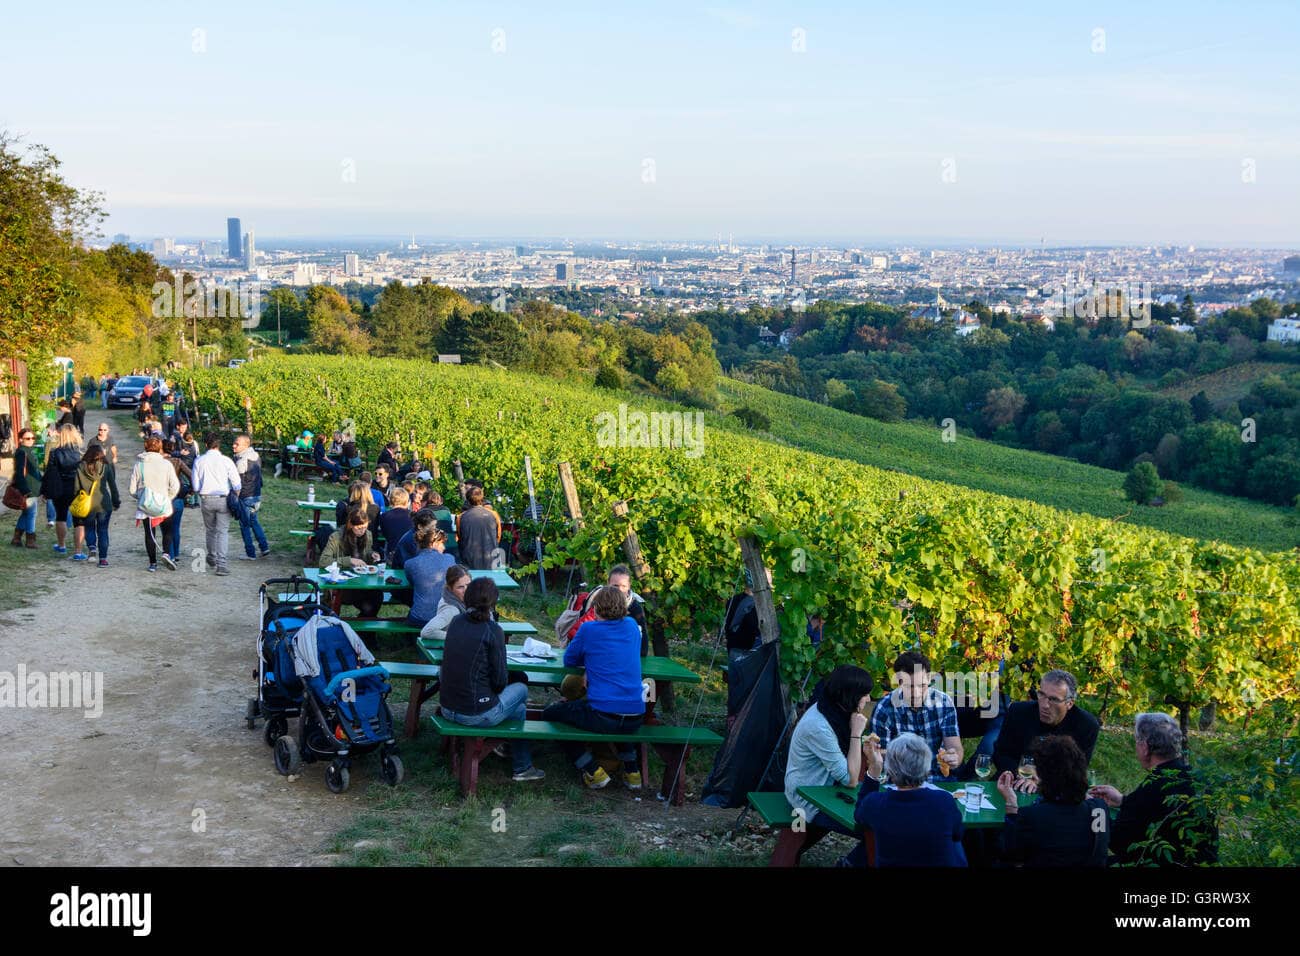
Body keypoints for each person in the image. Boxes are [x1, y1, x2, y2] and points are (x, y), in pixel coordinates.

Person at [439, 577, 545, 782]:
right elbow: (499, 681)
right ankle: (519, 764)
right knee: (521, 689)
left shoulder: (456, 622)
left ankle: (513, 752)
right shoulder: (493, 630)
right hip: (476, 713)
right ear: (493, 603)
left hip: (447, 706)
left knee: (519, 710)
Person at [541, 586, 645, 790]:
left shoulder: (589, 629)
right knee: (620, 716)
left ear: (596, 608)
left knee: (551, 714)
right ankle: (632, 771)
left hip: (604, 715)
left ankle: (592, 769)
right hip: (636, 714)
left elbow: (569, 660)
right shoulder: (632, 626)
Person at [1089, 712, 1218, 866]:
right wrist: (1124, 801)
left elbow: (1119, 843)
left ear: (1144, 747)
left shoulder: (1154, 785)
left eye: (1136, 741)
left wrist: (1095, 810)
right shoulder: (1200, 781)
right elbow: (1155, 810)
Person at [784, 665, 875, 866]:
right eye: (865, 694)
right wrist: (856, 734)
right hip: (807, 798)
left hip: (827, 790)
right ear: (850, 695)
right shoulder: (819, 727)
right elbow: (850, 779)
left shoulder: (833, 710)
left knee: (884, 825)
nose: (868, 699)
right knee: (879, 830)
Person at [854, 732, 968, 867]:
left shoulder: (876, 804)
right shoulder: (944, 801)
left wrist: (874, 769)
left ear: (889, 770)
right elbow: (957, 834)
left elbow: (859, 814)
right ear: (926, 769)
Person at [997, 735, 1109, 866]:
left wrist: (1011, 805)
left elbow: (1012, 855)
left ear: (1044, 777)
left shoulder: (1033, 816)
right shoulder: (1099, 809)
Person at [994, 669, 1100, 792]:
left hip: (1057, 792)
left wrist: (1041, 778)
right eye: (1041, 695)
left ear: (1069, 703)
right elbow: (1001, 753)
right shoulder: (1018, 712)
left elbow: (1076, 772)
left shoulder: (1086, 726)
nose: (1045, 705)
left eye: (1054, 699)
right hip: (1013, 783)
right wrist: (1019, 775)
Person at [869, 650, 963, 781]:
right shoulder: (884, 709)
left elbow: (955, 747)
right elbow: (881, 758)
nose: (916, 693)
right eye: (909, 686)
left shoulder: (944, 702)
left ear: (929, 678)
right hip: (900, 780)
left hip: (938, 778)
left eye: (922, 685)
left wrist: (954, 758)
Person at [192, 432, 241, 576]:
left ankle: (211, 556)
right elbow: (237, 484)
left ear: (206, 445)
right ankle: (222, 564)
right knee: (222, 531)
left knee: (210, 530)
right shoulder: (227, 461)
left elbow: (195, 486)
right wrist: (234, 496)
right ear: (218, 445)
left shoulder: (199, 461)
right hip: (223, 498)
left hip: (206, 499)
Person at [129, 435, 180, 572]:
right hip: (164, 503)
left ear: (145, 447)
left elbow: (132, 489)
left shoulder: (139, 465)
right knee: (168, 530)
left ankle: (152, 563)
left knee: (149, 533)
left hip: (146, 504)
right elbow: (175, 486)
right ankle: (166, 552)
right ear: (160, 448)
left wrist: (140, 497)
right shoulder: (166, 464)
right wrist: (168, 497)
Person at [318, 507, 383, 617]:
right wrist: (349, 560)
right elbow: (323, 561)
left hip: (361, 581)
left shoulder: (368, 535)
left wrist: (372, 555)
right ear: (350, 525)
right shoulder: (336, 537)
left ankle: (366, 626)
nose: (362, 531)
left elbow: (366, 556)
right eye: (359, 528)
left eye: (365, 527)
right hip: (342, 584)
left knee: (377, 595)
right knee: (368, 599)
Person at [69, 444, 120, 567]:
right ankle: (103, 559)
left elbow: (76, 488)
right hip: (104, 503)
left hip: (87, 504)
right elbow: (113, 486)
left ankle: (92, 548)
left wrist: (75, 500)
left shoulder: (80, 467)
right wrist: (116, 501)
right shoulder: (106, 467)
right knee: (103, 530)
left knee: (89, 527)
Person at [41, 423, 84, 554]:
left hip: (60, 487)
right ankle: (78, 551)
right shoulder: (80, 454)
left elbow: (49, 473)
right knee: (79, 521)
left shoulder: (55, 452)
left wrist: (45, 491)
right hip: (77, 488)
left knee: (61, 516)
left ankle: (62, 545)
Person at [404, 525, 454, 628]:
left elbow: (412, 582)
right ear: (433, 544)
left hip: (420, 618)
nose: (444, 547)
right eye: (442, 543)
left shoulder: (410, 563)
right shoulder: (450, 559)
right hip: (444, 618)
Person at [233, 433, 270, 560]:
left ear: (245, 445)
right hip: (256, 494)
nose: (234, 446)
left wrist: (234, 498)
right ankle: (264, 547)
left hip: (245, 497)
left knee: (245, 525)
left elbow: (236, 483)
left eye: (237, 444)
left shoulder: (242, 461)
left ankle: (250, 554)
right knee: (254, 521)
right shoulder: (256, 456)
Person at [722, 567, 771, 663]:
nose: (769, 587)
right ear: (758, 582)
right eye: (767, 583)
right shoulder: (758, 607)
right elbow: (757, 632)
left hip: (732, 652)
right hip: (748, 657)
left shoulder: (732, 600)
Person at [419, 564, 470, 642]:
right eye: (460, 587)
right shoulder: (451, 609)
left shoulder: (454, 598)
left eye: (468, 585)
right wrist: (459, 636)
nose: (466, 590)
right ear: (450, 588)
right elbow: (427, 632)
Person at [10, 427, 42, 549]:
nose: (31, 440)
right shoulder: (22, 452)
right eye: (27, 438)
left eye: (32, 438)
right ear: (20, 440)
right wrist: (25, 490)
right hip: (28, 488)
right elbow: (19, 472)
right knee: (32, 514)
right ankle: (30, 540)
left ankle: (16, 538)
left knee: (26, 513)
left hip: (33, 487)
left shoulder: (30, 450)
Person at [457, 485, 502, 570]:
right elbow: (498, 537)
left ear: (468, 499)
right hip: (491, 559)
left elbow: (460, 537)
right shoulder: (494, 514)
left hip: (469, 560)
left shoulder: (461, 517)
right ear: (482, 498)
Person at [163, 438, 192, 564]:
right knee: (176, 527)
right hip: (178, 498)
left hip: (163, 498)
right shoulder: (178, 461)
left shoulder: (159, 463)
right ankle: (176, 552)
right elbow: (191, 475)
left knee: (165, 529)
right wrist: (190, 491)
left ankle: (170, 554)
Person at [379, 487, 414, 564]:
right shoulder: (413, 515)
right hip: (411, 553)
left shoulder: (384, 516)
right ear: (407, 501)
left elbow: (385, 535)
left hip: (393, 553)